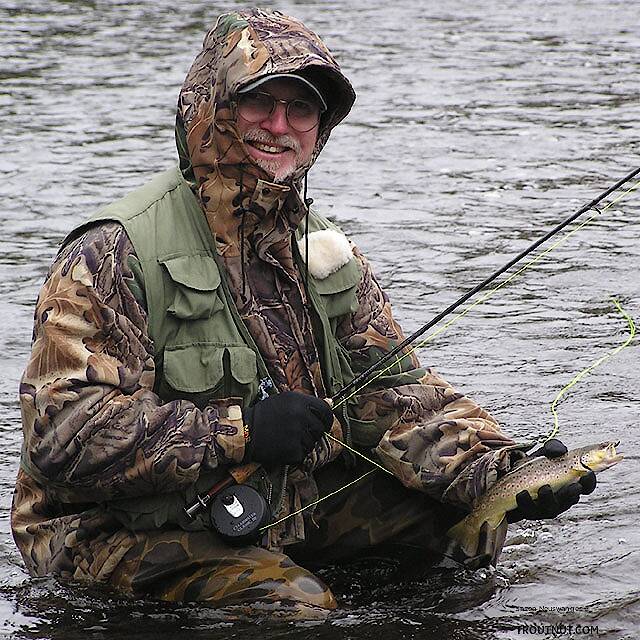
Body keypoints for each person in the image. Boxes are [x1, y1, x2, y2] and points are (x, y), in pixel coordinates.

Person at [11, 8, 596, 619]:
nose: (280, 126)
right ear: (214, 108)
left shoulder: (324, 252)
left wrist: (503, 470)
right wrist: (242, 430)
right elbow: (64, 438)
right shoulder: (113, 252)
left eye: (301, 110)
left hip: (274, 501)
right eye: (260, 104)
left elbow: (399, 399)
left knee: (458, 527)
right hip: (101, 530)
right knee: (294, 605)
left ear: (321, 127)